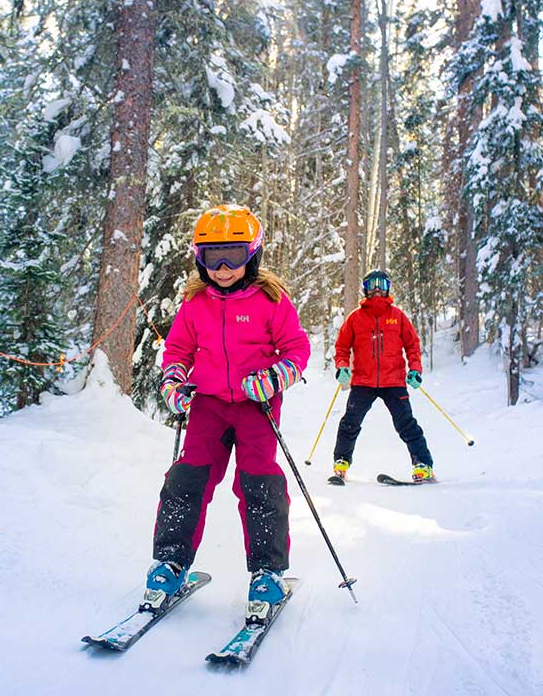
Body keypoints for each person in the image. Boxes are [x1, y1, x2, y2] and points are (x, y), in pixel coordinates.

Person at [141, 204, 310, 622]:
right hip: (208, 406)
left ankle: (267, 573)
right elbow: (177, 351)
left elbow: (296, 350)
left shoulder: (271, 300)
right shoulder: (195, 302)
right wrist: (173, 382)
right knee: (187, 479)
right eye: (211, 256)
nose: (222, 268)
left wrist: (274, 378)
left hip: (256, 407)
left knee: (259, 483)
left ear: (252, 254)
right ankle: (170, 563)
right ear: (199, 258)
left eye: (233, 256)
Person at [331, 269, 434, 483]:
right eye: (372, 285)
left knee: (406, 424)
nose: (377, 289)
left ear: (388, 288)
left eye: (382, 284)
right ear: (365, 289)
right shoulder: (355, 318)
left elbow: (412, 345)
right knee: (350, 423)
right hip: (363, 381)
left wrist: (415, 369)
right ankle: (341, 462)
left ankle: (423, 464)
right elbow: (342, 347)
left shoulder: (398, 317)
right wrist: (342, 367)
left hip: (393, 381)